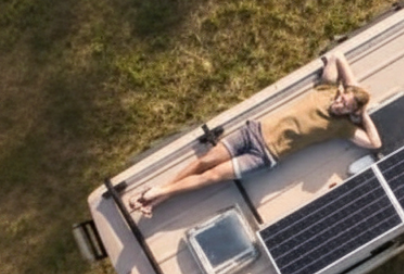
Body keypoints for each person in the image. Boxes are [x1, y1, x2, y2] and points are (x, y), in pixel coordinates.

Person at [129, 52, 382, 217]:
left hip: (264, 156)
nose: (340, 104)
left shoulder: (342, 128)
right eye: (343, 99)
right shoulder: (327, 89)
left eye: (346, 106)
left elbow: (374, 142)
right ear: (342, 93)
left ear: (351, 112)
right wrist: (354, 90)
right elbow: (337, 58)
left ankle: (157, 194)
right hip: (252, 132)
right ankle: (161, 194)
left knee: (212, 176)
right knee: (205, 161)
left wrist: (363, 113)